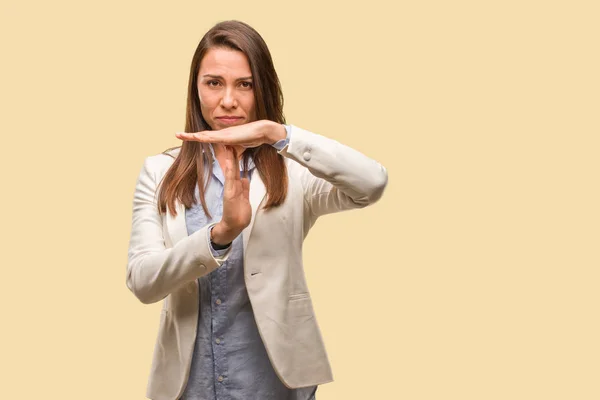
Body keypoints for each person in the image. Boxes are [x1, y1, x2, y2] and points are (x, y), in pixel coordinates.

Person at [126, 20, 388, 400]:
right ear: (195, 88)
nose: (229, 100)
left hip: (272, 383)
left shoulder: (294, 172)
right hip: (189, 384)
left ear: (261, 88)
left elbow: (372, 184)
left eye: (244, 84)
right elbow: (142, 281)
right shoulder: (160, 171)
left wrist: (278, 134)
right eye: (214, 82)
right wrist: (220, 236)